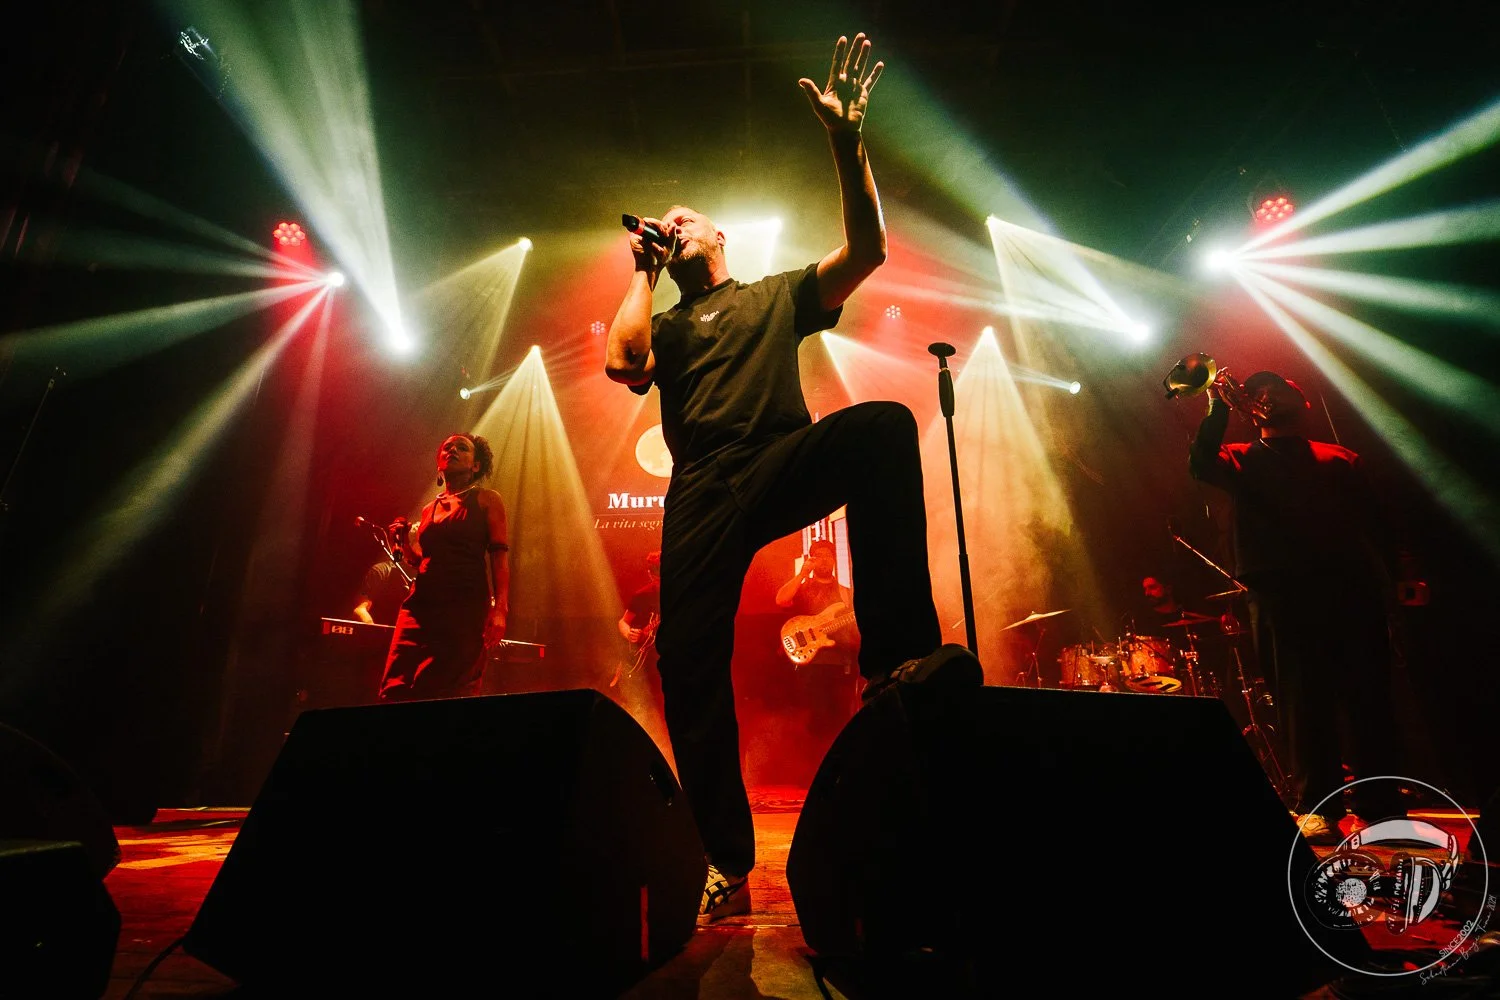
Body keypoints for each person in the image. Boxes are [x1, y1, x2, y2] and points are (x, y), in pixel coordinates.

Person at [603, 32, 981, 925]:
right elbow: (623, 362)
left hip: (778, 458)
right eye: (665, 225)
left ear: (720, 235)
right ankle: (726, 859)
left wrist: (848, 144)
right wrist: (642, 275)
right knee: (687, 663)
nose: (673, 227)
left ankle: (894, 661)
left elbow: (868, 251)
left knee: (883, 426)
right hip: (704, 487)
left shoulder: (774, 293)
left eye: (685, 219)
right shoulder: (669, 325)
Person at [1189, 368, 1404, 843]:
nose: (1266, 394)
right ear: (1251, 410)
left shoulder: (1341, 458)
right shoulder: (1237, 456)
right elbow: (1200, 461)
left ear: (1301, 401)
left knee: (1367, 699)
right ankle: (1319, 806)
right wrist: (1218, 404)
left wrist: (1399, 580)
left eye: (1277, 388)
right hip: (1279, 593)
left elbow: (1378, 525)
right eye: (1259, 391)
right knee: (1299, 702)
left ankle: (1381, 806)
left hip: (1350, 589)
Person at [378, 433, 509, 701]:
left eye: (462, 448)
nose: (452, 450)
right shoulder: (429, 509)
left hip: (464, 604)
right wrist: (402, 543)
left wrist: (500, 609)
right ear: (439, 462)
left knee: (450, 687)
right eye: (447, 447)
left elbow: (499, 557)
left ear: (476, 466)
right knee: (396, 685)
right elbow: (422, 560)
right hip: (421, 604)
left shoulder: (487, 500)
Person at [611, 550, 662, 694]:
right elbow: (623, 622)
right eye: (656, 571)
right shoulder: (643, 595)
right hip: (645, 659)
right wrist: (629, 634)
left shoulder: (680, 594)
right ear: (650, 573)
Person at [352, 547, 416, 626]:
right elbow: (360, 609)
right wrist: (374, 629)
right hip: (384, 630)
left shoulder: (425, 574)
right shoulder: (381, 571)